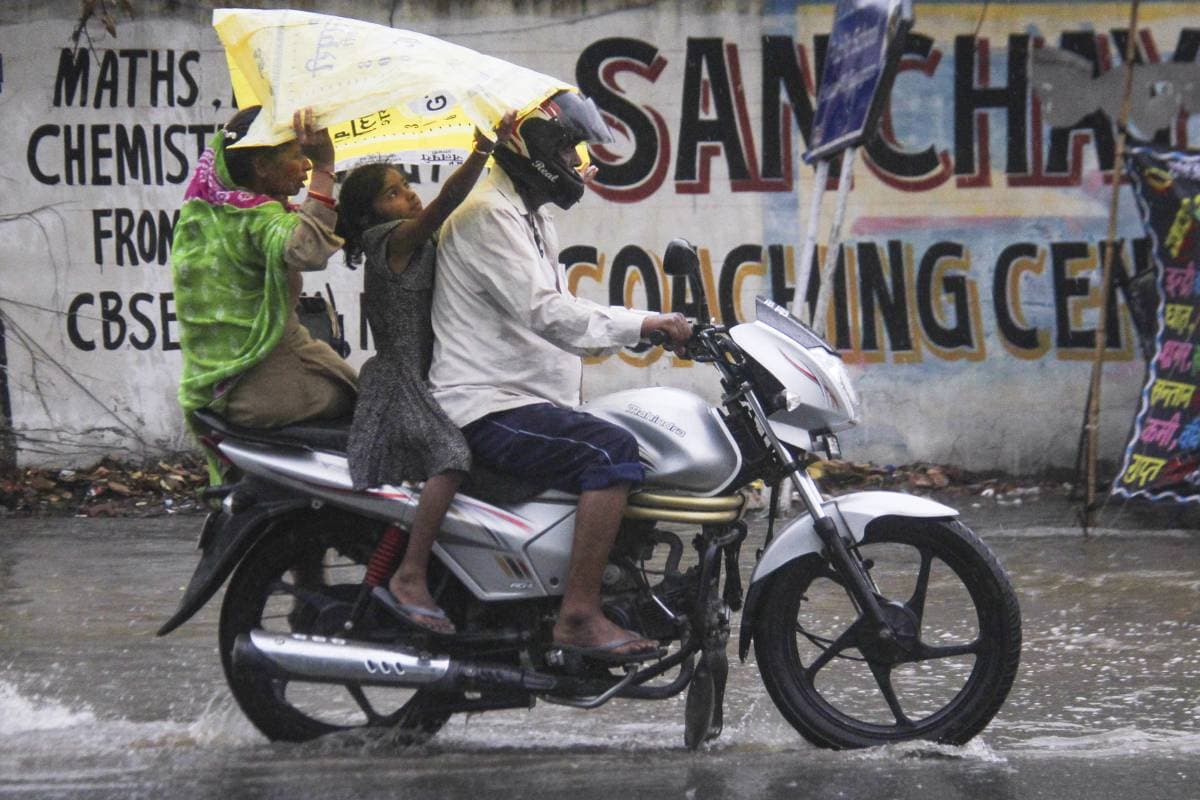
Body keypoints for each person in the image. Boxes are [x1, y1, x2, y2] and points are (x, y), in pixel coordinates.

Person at [429, 91, 691, 663]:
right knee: (610, 452)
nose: (578, 163)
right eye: (570, 149)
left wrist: (644, 326)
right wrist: (646, 321)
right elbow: (547, 311)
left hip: (524, 398)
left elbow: (555, 310)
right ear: (540, 148)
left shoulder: (526, 211)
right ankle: (577, 615)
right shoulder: (489, 214)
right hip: (486, 405)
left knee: (640, 446)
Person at [334, 112, 518, 635]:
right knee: (452, 457)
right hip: (401, 381)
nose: (409, 196)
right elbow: (443, 207)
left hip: (431, 371)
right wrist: (481, 150)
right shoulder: (389, 240)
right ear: (373, 213)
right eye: (393, 192)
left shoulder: (415, 240)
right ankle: (410, 576)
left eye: (406, 187)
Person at [172, 106, 357, 463]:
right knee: (376, 401)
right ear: (261, 167)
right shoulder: (255, 218)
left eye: (307, 157)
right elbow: (307, 251)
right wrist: (324, 167)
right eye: (297, 155)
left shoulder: (205, 212)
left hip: (214, 387)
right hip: (259, 389)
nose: (304, 164)